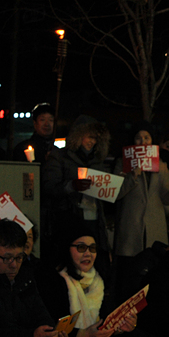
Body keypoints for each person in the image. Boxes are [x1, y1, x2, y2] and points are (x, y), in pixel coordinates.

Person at [33, 230, 160, 337]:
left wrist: (122, 325)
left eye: (92, 248)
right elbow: (55, 328)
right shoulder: (55, 281)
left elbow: (106, 319)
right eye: (81, 248)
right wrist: (85, 335)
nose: (88, 254)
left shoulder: (97, 279)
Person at [113, 121, 169, 301]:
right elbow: (116, 193)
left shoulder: (161, 164)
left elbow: (165, 199)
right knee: (129, 279)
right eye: (138, 138)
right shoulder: (123, 163)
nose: (142, 142)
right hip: (131, 230)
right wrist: (133, 175)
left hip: (154, 229)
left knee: (153, 278)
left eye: (146, 138)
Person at [42, 115, 113, 281]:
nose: (91, 141)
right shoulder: (60, 156)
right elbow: (48, 187)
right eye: (89, 136)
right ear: (78, 135)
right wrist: (71, 186)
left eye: (95, 137)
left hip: (94, 221)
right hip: (69, 219)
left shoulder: (98, 161)